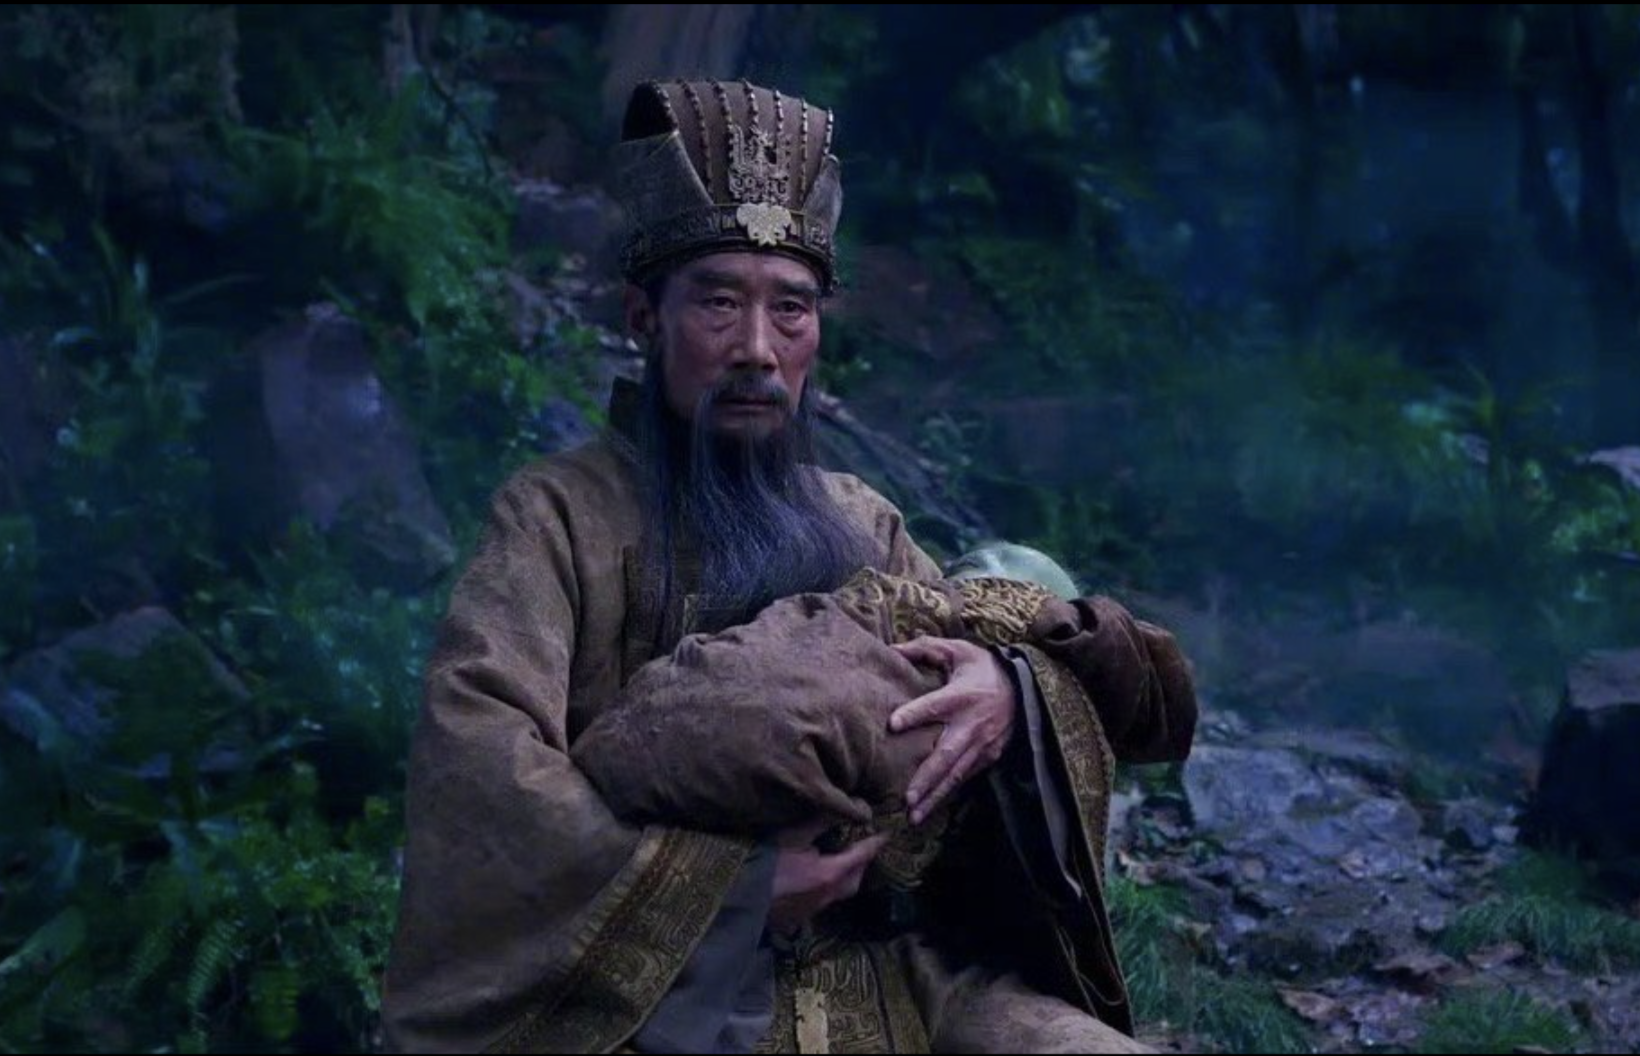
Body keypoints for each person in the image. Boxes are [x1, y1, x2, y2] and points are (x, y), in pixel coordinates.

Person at [381, 80, 1197, 1054]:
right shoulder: (553, 518)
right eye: (719, 303)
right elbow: (483, 777)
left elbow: (969, 646)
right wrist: (736, 891)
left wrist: (1003, 690)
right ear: (644, 317)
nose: (758, 351)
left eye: (792, 310)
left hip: (893, 980)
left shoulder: (859, 518)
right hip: (657, 1003)